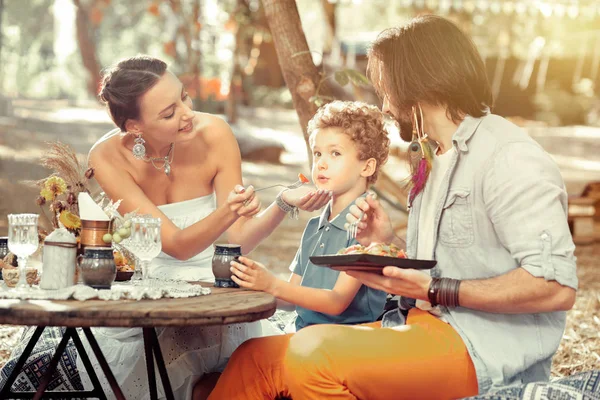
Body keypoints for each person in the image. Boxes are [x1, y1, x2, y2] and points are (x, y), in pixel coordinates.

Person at [278, 15, 578, 400]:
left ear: (418, 84)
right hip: (418, 326)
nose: (385, 106)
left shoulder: (509, 157)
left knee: (309, 355)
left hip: (480, 349)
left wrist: (437, 289)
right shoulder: (429, 159)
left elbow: (555, 287)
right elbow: (442, 268)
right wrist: (388, 243)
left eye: (388, 89)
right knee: (256, 359)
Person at [82, 55, 331, 400]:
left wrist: (282, 203)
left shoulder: (214, 132)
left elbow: (238, 242)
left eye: (184, 97)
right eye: (169, 113)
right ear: (135, 126)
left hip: (221, 290)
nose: (187, 114)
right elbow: (177, 246)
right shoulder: (106, 157)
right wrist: (228, 212)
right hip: (157, 296)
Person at [207, 100, 391, 400]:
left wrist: (272, 283)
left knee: (252, 358)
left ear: (367, 166)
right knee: (242, 359)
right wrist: (250, 283)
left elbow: (336, 302)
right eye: (317, 153)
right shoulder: (315, 225)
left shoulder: (364, 222)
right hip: (306, 338)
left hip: (346, 343)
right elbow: (292, 297)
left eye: (335, 153)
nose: (320, 163)